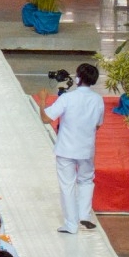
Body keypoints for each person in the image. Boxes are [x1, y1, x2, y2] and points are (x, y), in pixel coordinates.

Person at [45, 63, 106, 233]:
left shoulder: (67, 98)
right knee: (86, 180)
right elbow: (98, 125)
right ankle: (84, 215)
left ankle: (71, 224)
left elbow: (46, 118)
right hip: (86, 149)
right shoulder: (98, 100)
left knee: (67, 185)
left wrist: (43, 99)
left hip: (66, 149)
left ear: (78, 78)